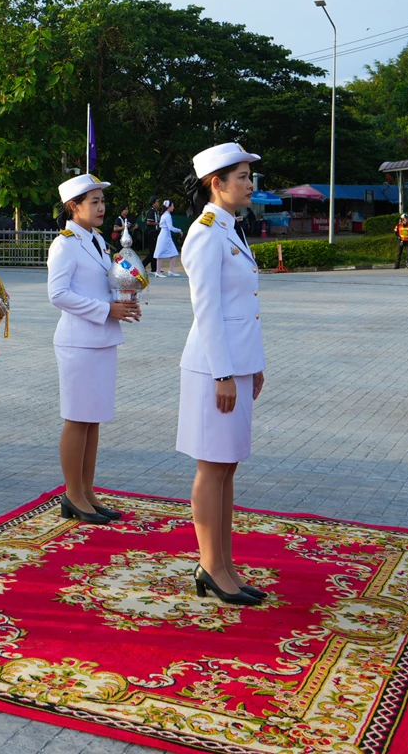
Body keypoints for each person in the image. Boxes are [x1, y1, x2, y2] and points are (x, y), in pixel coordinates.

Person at [178, 141, 267, 605]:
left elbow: (245, 309)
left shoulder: (231, 228)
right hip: (214, 369)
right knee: (212, 467)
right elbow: (208, 311)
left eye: (250, 176)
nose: (250, 184)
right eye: (243, 177)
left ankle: (223, 563)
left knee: (227, 466)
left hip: (234, 365)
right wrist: (224, 374)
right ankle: (211, 567)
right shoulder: (206, 232)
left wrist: (254, 366)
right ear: (217, 183)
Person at [47, 173, 141, 525]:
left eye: (102, 201)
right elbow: (57, 294)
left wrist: (124, 301)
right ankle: (73, 494)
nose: (102, 208)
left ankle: (87, 491)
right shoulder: (65, 244)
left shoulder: (98, 241)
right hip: (77, 341)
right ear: (74, 207)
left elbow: (104, 283)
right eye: (94, 202)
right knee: (77, 418)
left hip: (102, 337)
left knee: (93, 419)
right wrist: (106, 310)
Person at [152, 198, 183, 277]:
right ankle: (158, 272)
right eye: (172, 206)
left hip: (166, 235)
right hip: (164, 236)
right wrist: (179, 230)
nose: (173, 207)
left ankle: (171, 270)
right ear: (168, 207)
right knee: (160, 253)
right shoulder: (167, 215)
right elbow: (170, 227)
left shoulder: (165, 214)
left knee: (174, 253)